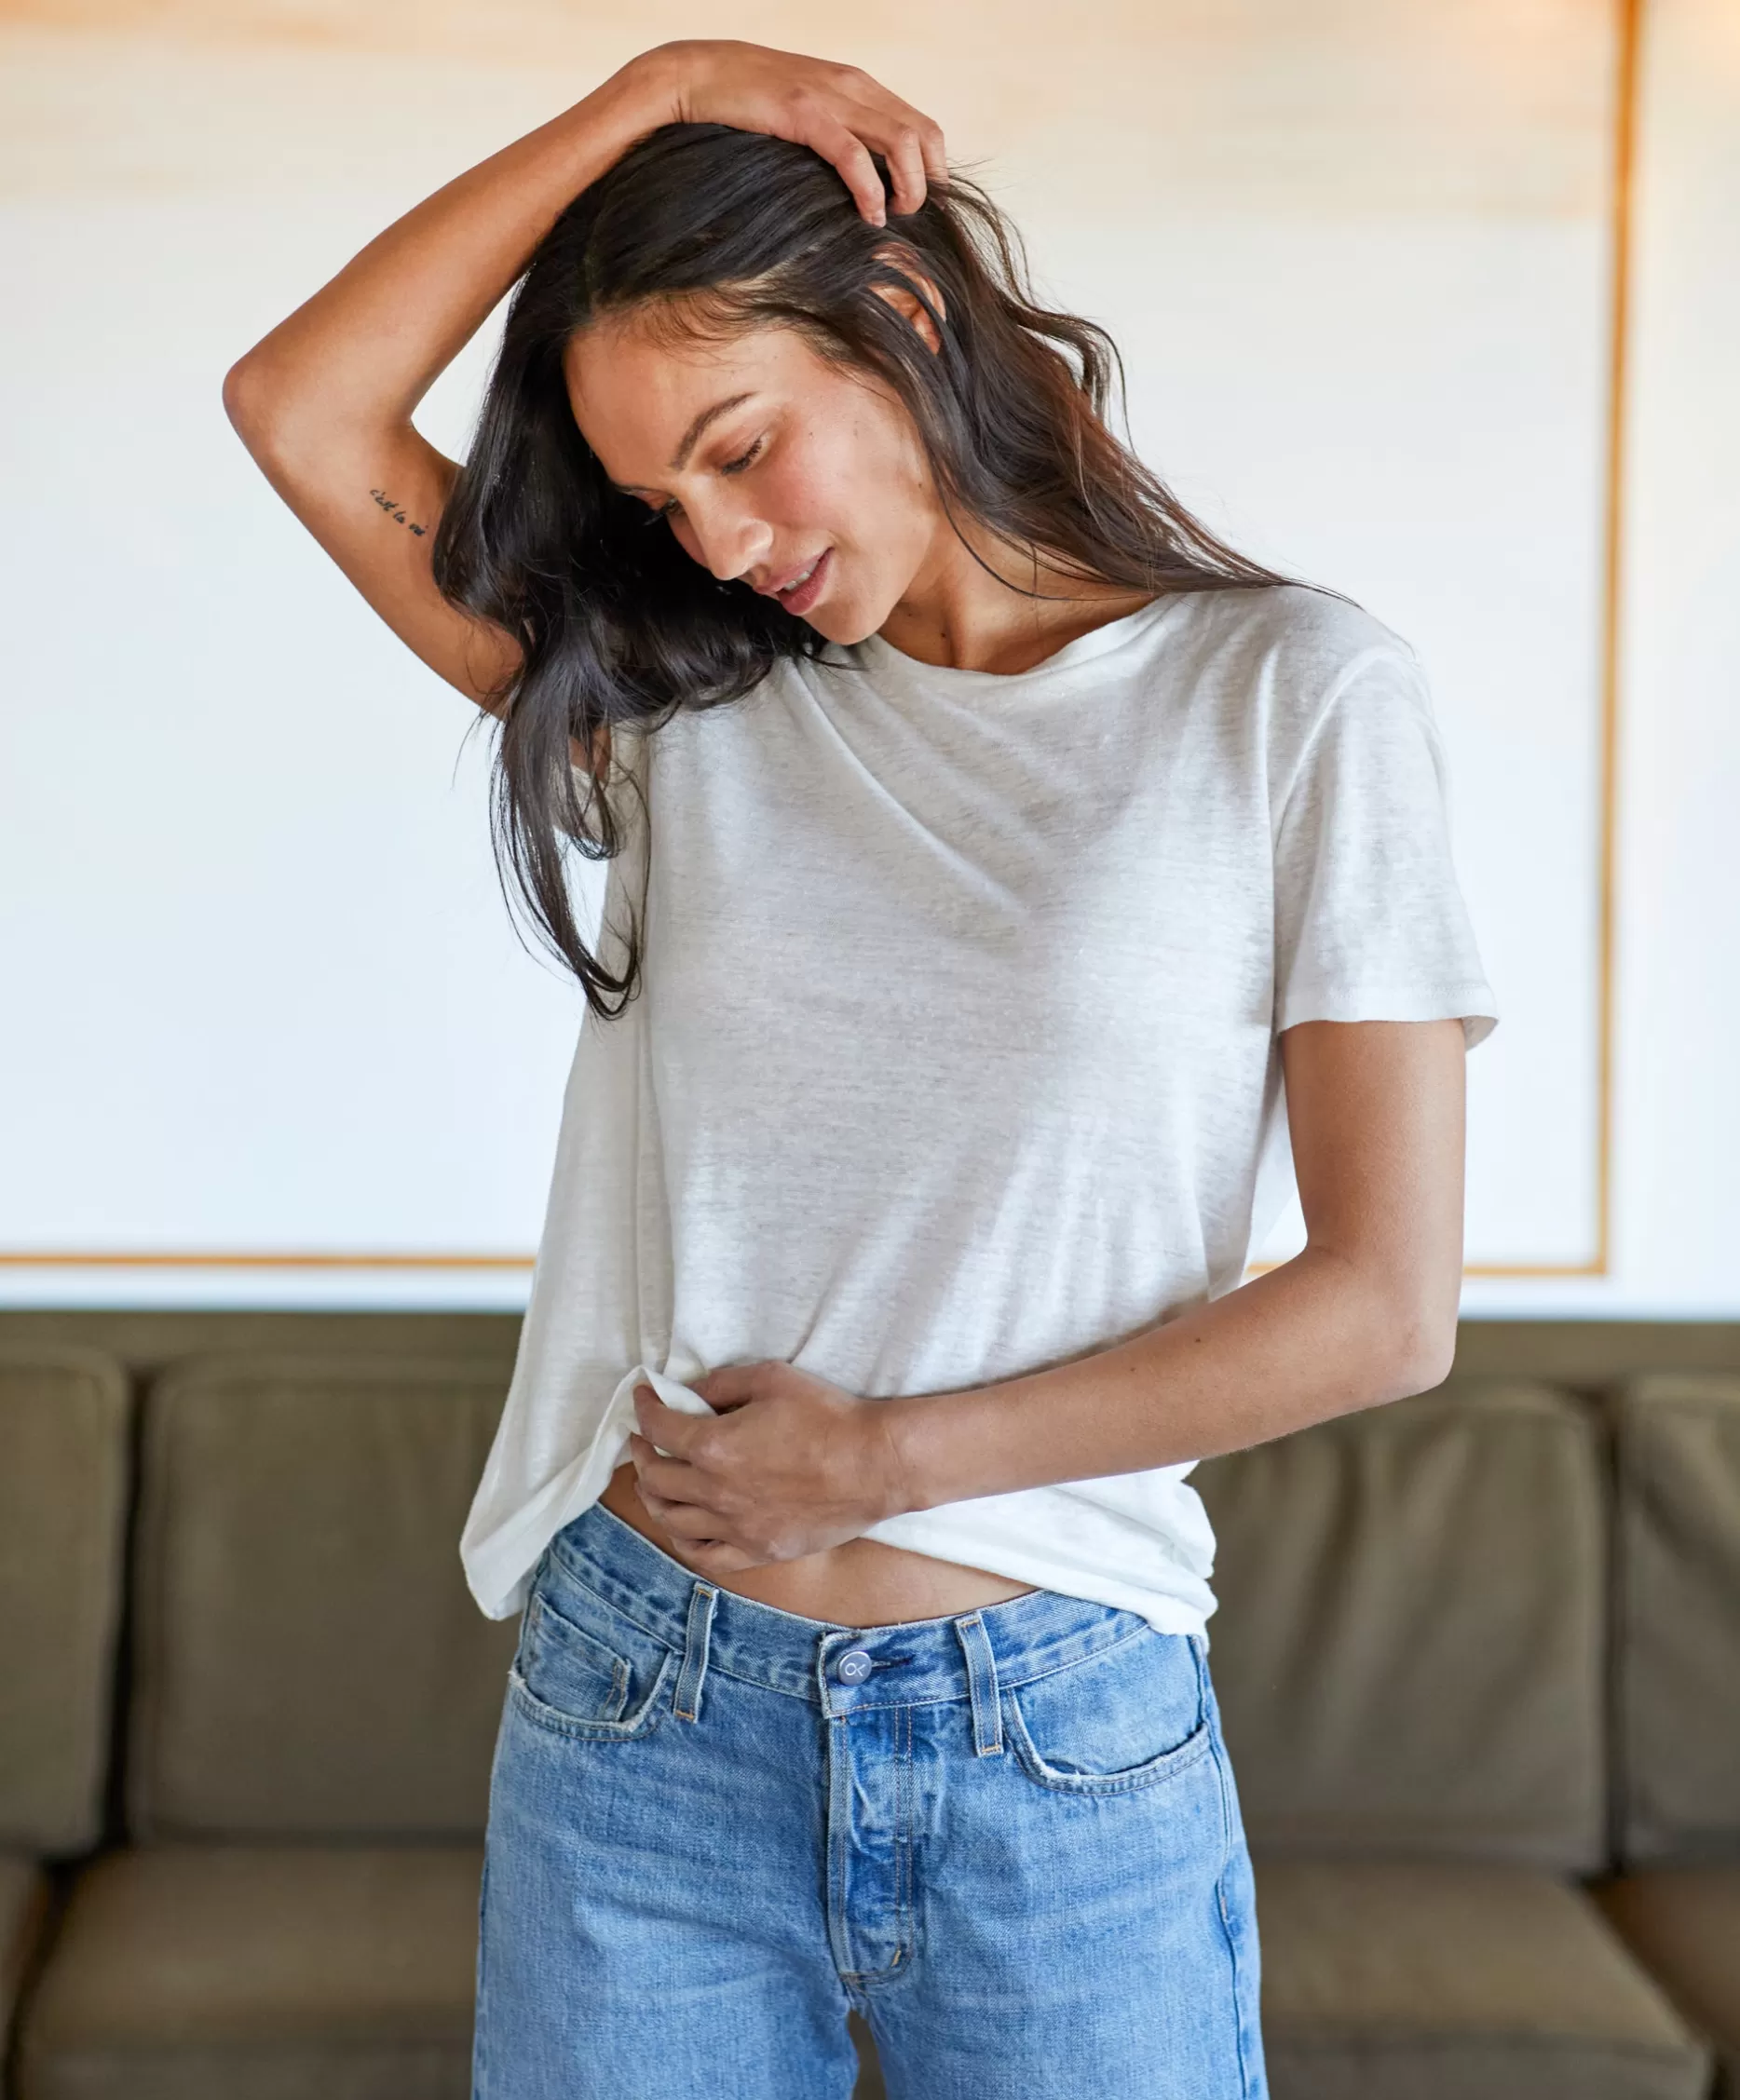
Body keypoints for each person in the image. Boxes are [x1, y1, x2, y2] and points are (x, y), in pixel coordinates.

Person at [224, 37, 1497, 2100]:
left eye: (740, 446)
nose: (715, 542)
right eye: (658, 499)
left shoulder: (1293, 695)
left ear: (896, 320)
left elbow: (1384, 1307)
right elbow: (300, 406)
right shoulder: (678, 712)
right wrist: (648, 96)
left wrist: (888, 1460)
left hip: (1058, 1730)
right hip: (647, 1706)